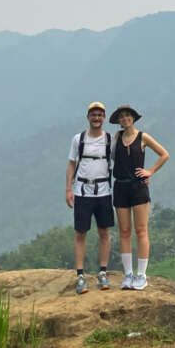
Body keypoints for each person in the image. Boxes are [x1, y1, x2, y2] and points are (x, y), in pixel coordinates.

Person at [109, 105, 169, 290]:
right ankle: (128, 275)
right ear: (118, 121)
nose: (125, 119)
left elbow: (164, 154)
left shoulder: (143, 137)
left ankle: (141, 275)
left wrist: (149, 171)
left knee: (141, 230)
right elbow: (110, 157)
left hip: (138, 188)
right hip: (120, 186)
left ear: (133, 118)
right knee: (124, 231)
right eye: (121, 117)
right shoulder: (117, 138)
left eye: (128, 116)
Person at [66, 102, 115, 295]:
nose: (96, 118)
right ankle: (80, 275)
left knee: (104, 232)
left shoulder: (110, 140)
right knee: (81, 233)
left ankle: (102, 272)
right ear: (88, 117)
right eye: (93, 115)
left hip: (103, 191)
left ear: (104, 118)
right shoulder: (79, 139)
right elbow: (71, 164)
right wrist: (68, 189)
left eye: (100, 115)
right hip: (82, 190)